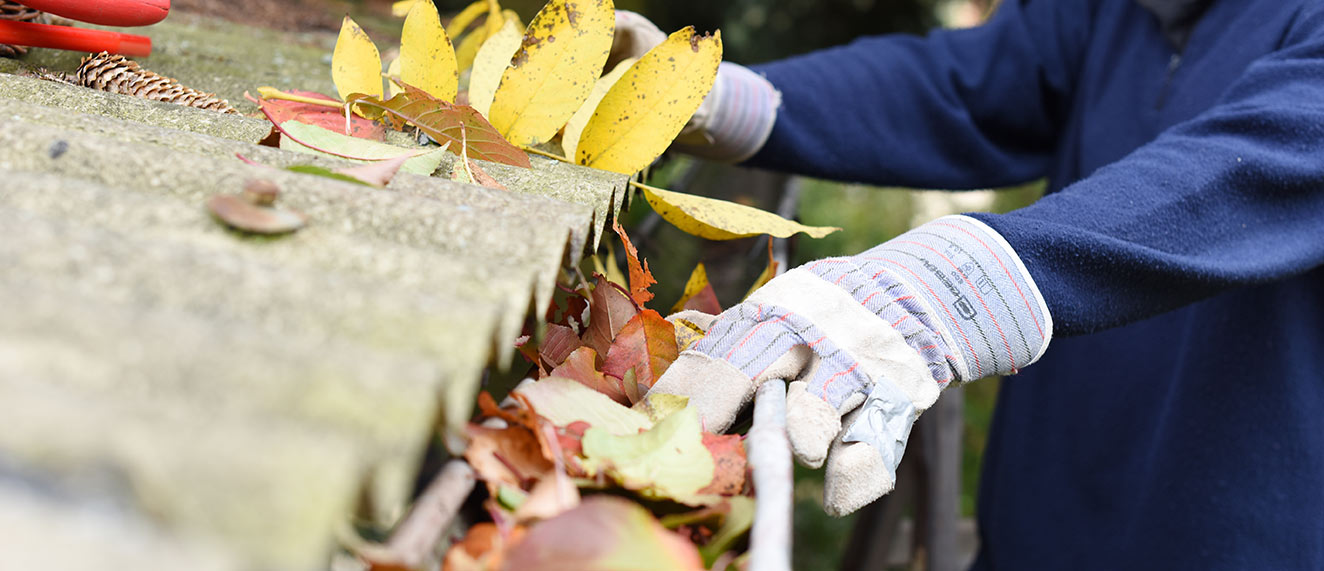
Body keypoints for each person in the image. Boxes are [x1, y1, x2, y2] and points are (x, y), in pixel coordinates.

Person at [615, 1, 1324, 568]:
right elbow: (967, 84)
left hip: (1236, 534)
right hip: (1036, 525)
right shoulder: (1119, 10)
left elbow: (1265, 158)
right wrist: (714, 98)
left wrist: (950, 287)